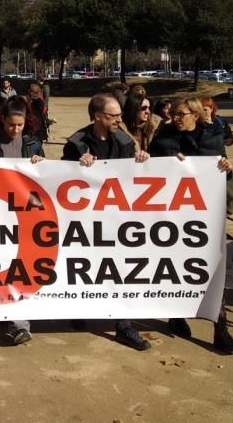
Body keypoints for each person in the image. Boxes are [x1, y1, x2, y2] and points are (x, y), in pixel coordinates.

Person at [149, 97, 233, 354]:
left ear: (196, 115)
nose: (174, 117)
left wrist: (227, 167)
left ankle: (220, 329)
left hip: (205, 218)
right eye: (173, 113)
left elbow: (224, 171)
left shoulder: (213, 137)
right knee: (173, 268)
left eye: (180, 113)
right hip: (171, 216)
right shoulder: (163, 137)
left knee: (212, 271)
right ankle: (177, 316)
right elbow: (148, 171)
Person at [62, 93, 152, 352]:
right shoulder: (77, 143)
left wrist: (142, 164)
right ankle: (80, 308)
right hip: (85, 219)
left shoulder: (125, 141)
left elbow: (132, 178)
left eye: (119, 116)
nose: (119, 120)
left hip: (116, 218)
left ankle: (123, 325)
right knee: (85, 265)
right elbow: (60, 178)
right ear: (97, 116)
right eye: (113, 116)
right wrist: (76, 167)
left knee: (118, 269)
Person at [0, 96, 44, 345]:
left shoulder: (33, 143)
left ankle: (19, 324)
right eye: (11, 124)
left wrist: (40, 163)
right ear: (2, 119)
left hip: (24, 215)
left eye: (20, 125)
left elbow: (44, 179)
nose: (15, 130)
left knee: (19, 267)